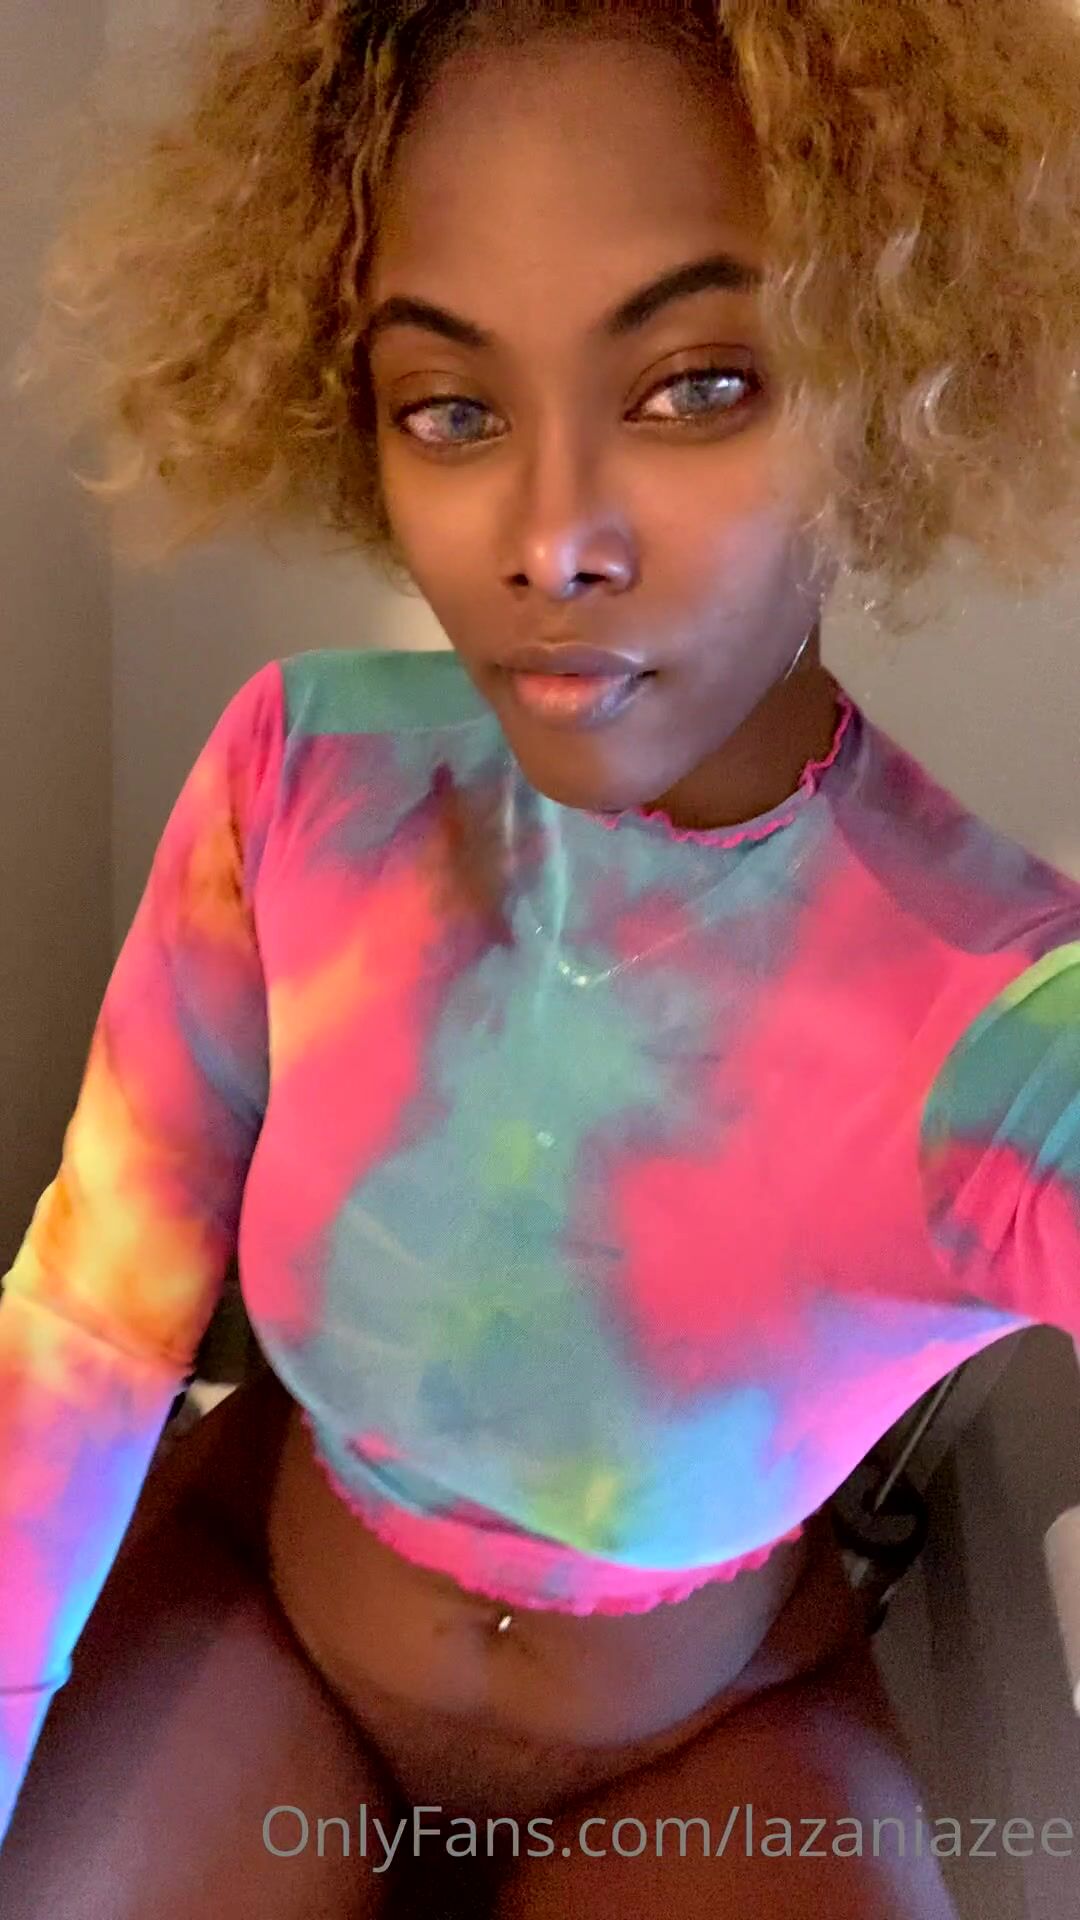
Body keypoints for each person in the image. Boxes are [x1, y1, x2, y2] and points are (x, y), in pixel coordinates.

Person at [3, 0, 1080, 1912]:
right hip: (265, 1628)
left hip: (705, 1750)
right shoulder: (300, 775)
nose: (550, 538)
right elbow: (89, 1330)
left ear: (886, 377)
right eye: (452, 409)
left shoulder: (1008, 1023)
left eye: (696, 387)